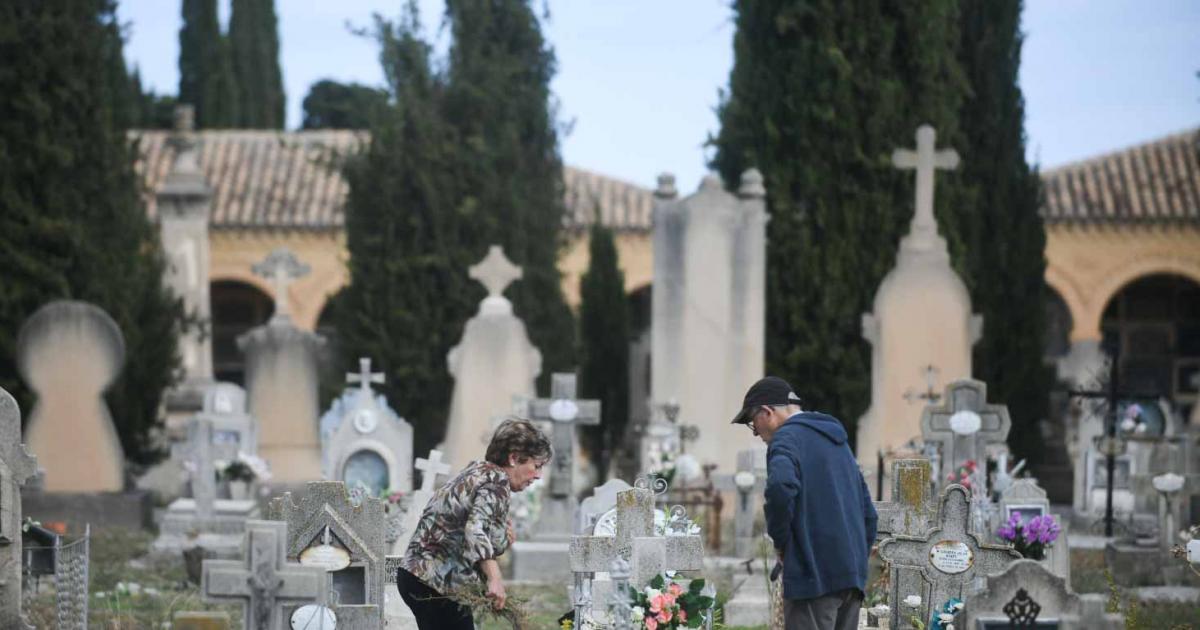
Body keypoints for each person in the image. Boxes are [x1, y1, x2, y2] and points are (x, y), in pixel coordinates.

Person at [731, 376, 877, 630]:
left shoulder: (786, 439)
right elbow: (869, 513)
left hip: (813, 579)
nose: (756, 432)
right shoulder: (837, 440)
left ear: (767, 412)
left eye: (752, 423)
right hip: (851, 577)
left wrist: (782, 543)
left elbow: (779, 487)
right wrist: (857, 560)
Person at [397, 418, 551, 629]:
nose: (539, 476)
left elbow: (470, 529)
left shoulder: (478, 472)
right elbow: (475, 529)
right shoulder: (497, 482)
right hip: (434, 583)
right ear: (514, 458)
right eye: (537, 466)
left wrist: (503, 540)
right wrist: (494, 578)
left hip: (417, 577)